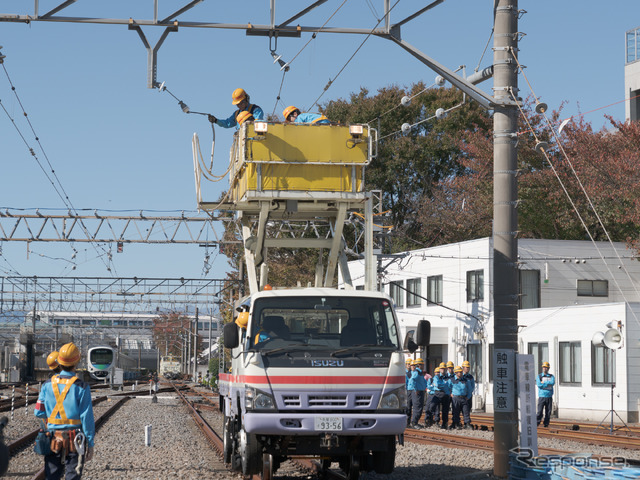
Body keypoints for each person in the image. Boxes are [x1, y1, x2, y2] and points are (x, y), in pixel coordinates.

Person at [35, 342, 95, 479]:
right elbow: (87, 418)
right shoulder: (82, 387)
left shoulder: (46, 385)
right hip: (76, 440)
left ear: (59, 362)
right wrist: (90, 444)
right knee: (73, 476)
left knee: (52, 476)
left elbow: (38, 412)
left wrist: (52, 418)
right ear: (77, 363)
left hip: (52, 438)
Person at [408, 359, 427, 429]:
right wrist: (415, 389)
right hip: (417, 392)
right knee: (417, 408)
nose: (423, 366)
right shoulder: (417, 372)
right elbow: (412, 380)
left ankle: (415, 422)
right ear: (419, 365)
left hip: (420, 391)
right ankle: (414, 423)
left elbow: (423, 381)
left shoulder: (420, 372)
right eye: (422, 364)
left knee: (419, 407)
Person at [536, 361, 555, 428]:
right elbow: (539, 385)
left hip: (549, 396)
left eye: (546, 367)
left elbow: (552, 383)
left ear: (548, 368)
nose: (545, 368)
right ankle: (537, 423)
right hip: (541, 396)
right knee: (539, 411)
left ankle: (546, 424)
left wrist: (544, 383)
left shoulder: (551, 376)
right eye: (544, 367)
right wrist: (547, 384)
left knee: (548, 412)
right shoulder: (539, 376)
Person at [461, 360, 475, 428]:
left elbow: (472, 386)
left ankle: (466, 423)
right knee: (461, 410)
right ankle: (461, 422)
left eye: (468, 367)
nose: (468, 369)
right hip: (461, 395)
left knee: (468, 409)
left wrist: (469, 394)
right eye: (466, 367)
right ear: (463, 367)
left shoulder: (470, 377)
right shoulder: (460, 376)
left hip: (468, 396)